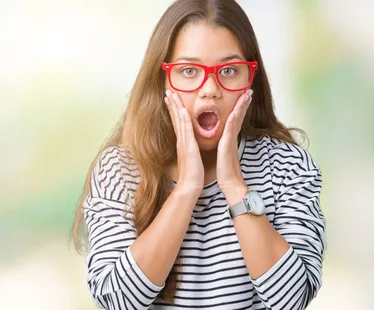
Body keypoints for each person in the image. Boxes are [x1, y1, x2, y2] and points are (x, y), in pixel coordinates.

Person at [71, 0, 326, 309]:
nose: (210, 89)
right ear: (163, 79)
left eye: (229, 70)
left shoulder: (287, 166)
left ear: (251, 78)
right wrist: (187, 189)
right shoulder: (119, 170)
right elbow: (117, 301)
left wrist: (234, 185)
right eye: (189, 71)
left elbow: (292, 299)